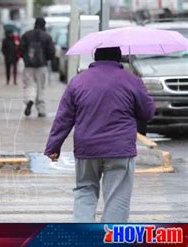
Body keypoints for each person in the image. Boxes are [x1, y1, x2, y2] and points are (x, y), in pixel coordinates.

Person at [44, 47, 155, 223]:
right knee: (117, 198)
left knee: (84, 190)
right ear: (119, 59)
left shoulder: (78, 81)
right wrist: (140, 89)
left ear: (95, 57)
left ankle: (84, 236)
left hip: (87, 148)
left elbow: (63, 118)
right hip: (120, 149)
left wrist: (53, 147)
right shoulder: (131, 80)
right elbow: (147, 113)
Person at [19, 17, 55, 117]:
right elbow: (51, 52)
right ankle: (41, 110)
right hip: (42, 66)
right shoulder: (47, 36)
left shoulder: (27, 35)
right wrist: (47, 59)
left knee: (29, 85)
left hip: (28, 66)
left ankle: (29, 100)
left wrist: (26, 58)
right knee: (41, 87)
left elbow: (20, 49)